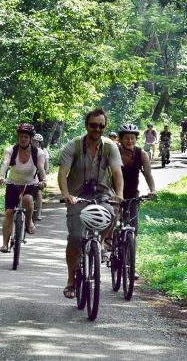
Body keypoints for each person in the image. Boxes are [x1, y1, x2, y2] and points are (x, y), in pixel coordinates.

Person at [58, 108, 123, 299]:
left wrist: (118, 194)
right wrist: (66, 194)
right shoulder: (74, 146)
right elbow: (62, 173)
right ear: (86, 126)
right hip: (77, 195)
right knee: (76, 238)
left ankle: (100, 243)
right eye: (93, 125)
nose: (97, 129)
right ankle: (71, 280)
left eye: (101, 126)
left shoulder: (110, 147)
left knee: (112, 212)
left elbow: (117, 173)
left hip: (102, 193)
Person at [0, 123, 47, 252]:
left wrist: (44, 180)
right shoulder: (11, 150)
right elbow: (5, 163)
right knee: (8, 213)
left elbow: (41, 168)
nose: (23, 139)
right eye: (21, 136)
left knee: (27, 200)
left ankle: (29, 221)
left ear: (30, 139)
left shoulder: (38, 152)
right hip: (13, 184)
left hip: (31, 184)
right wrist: (1, 176)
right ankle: (4, 244)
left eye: (26, 137)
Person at [118, 123, 157, 228]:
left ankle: (131, 243)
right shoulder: (115, 152)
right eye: (126, 138)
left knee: (133, 227)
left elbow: (148, 175)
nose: (130, 141)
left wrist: (152, 190)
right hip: (114, 192)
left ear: (136, 139)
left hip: (132, 194)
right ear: (121, 139)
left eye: (132, 138)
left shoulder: (142, 154)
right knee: (112, 223)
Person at [32, 133, 50, 221]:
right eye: (34, 142)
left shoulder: (44, 151)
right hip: (29, 173)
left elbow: (46, 166)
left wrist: (43, 174)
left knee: (38, 193)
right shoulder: (28, 150)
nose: (35, 144)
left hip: (39, 174)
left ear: (40, 143)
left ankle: (38, 213)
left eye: (37, 142)